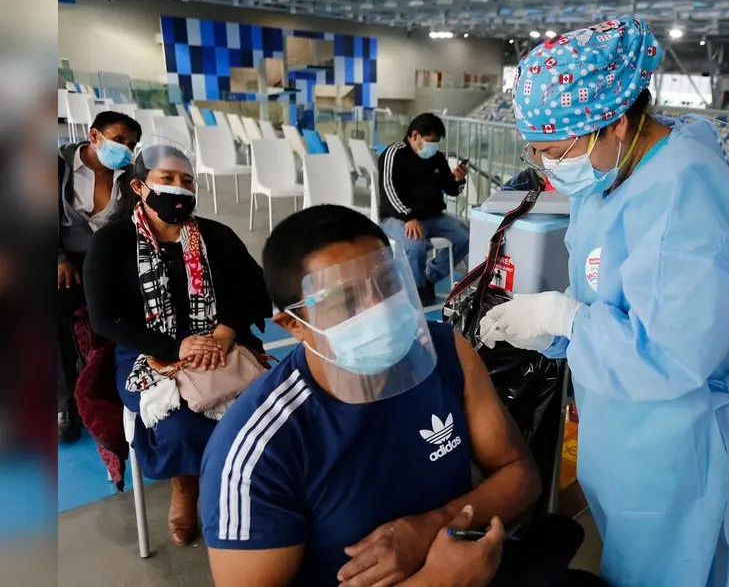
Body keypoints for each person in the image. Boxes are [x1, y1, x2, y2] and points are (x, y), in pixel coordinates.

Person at [479, 17, 729, 587]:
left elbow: (674, 354)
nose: (546, 168)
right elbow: (611, 293)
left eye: (553, 151)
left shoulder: (682, 191)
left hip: (669, 441)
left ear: (613, 123)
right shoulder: (612, 174)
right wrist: (558, 323)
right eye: (534, 153)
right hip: (624, 423)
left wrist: (562, 318)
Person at [200, 204, 552, 586]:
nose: (378, 309)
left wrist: (434, 526)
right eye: (345, 300)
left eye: (387, 283)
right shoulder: (257, 450)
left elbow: (520, 475)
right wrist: (436, 582)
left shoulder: (445, 353)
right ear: (293, 325)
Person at [83, 139, 273, 546]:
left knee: (261, 408)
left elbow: (254, 289)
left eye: (186, 181)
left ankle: (243, 481)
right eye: (166, 179)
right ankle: (186, 487)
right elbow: (106, 317)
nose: (178, 188)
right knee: (181, 424)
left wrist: (224, 331)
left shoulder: (216, 236)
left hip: (220, 340)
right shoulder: (111, 243)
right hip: (147, 350)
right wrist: (174, 349)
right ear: (139, 187)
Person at [57, 110, 142, 443]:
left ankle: (116, 392)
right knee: (55, 315)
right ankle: (64, 402)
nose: (124, 148)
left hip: (108, 262)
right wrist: (58, 258)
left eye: (131, 144)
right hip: (67, 262)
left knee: (125, 315)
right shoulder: (57, 167)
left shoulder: (129, 176)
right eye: (118, 139)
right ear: (94, 136)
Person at [377, 113, 469, 306]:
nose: (433, 146)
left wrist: (459, 180)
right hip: (397, 218)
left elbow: (451, 189)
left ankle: (428, 278)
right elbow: (388, 189)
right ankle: (416, 291)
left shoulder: (436, 158)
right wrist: (408, 216)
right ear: (415, 135)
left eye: (436, 142)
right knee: (416, 245)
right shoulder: (394, 153)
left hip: (433, 216)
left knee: (465, 237)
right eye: (430, 141)